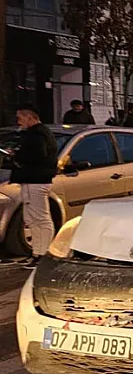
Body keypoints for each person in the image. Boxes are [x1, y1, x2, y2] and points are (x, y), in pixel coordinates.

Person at [10, 104, 59, 268]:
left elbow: (38, 154)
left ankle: (43, 254)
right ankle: (36, 253)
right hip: (33, 180)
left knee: (40, 219)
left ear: (29, 117)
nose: (19, 121)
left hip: (36, 181)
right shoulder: (38, 133)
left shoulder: (37, 134)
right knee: (31, 219)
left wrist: (17, 155)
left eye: (20, 118)